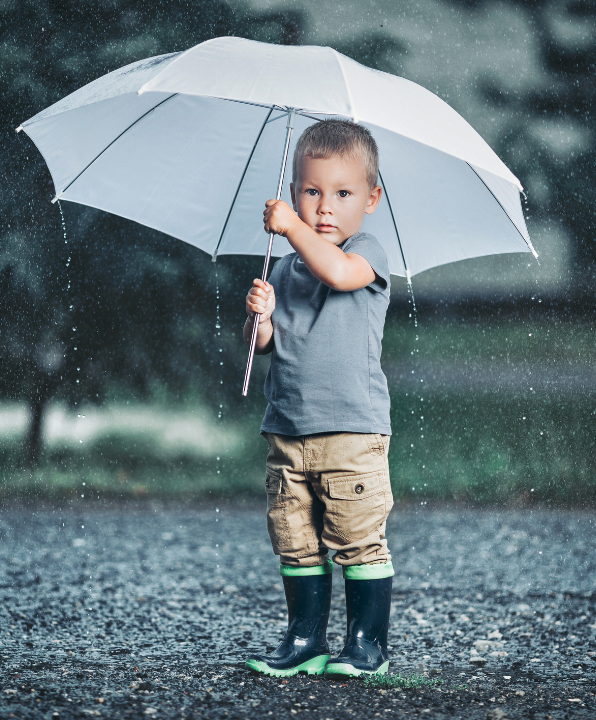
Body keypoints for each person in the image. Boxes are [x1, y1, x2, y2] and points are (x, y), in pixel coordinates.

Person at [243, 119, 394, 678]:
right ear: (294, 189)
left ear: (370, 199)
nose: (325, 207)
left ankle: (366, 643)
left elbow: (337, 273)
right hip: (288, 430)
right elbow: (265, 344)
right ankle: (305, 637)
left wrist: (290, 228)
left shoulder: (367, 252)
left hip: (351, 435)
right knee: (295, 540)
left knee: (358, 539)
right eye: (311, 192)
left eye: (342, 193)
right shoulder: (282, 267)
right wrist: (259, 319)